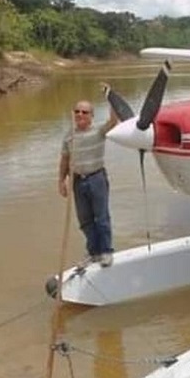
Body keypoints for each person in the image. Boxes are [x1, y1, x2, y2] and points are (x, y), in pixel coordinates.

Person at [58, 88, 118, 268]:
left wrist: (111, 98)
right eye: (77, 111)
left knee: (101, 217)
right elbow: (64, 160)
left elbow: (114, 121)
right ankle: (93, 252)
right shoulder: (69, 136)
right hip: (78, 181)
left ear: (91, 115)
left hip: (96, 178)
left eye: (84, 112)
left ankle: (106, 251)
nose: (80, 114)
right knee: (85, 220)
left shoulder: (99, 131)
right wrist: (61, 180)